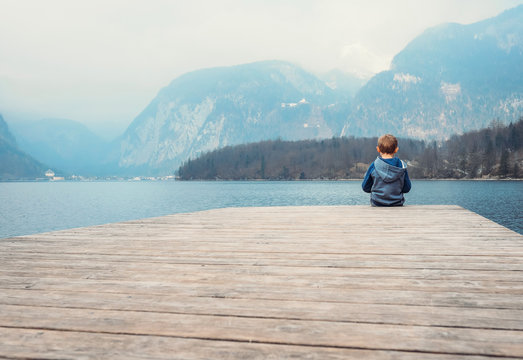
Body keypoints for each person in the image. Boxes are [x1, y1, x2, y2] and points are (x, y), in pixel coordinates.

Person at [362, 134, 411, 206]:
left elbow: (365, 187)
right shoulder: (402, 166)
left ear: (378, 149)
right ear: (396, 149)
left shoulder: (374, 165)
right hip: (397, 203)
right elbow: (407, 188)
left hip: (377, 203)